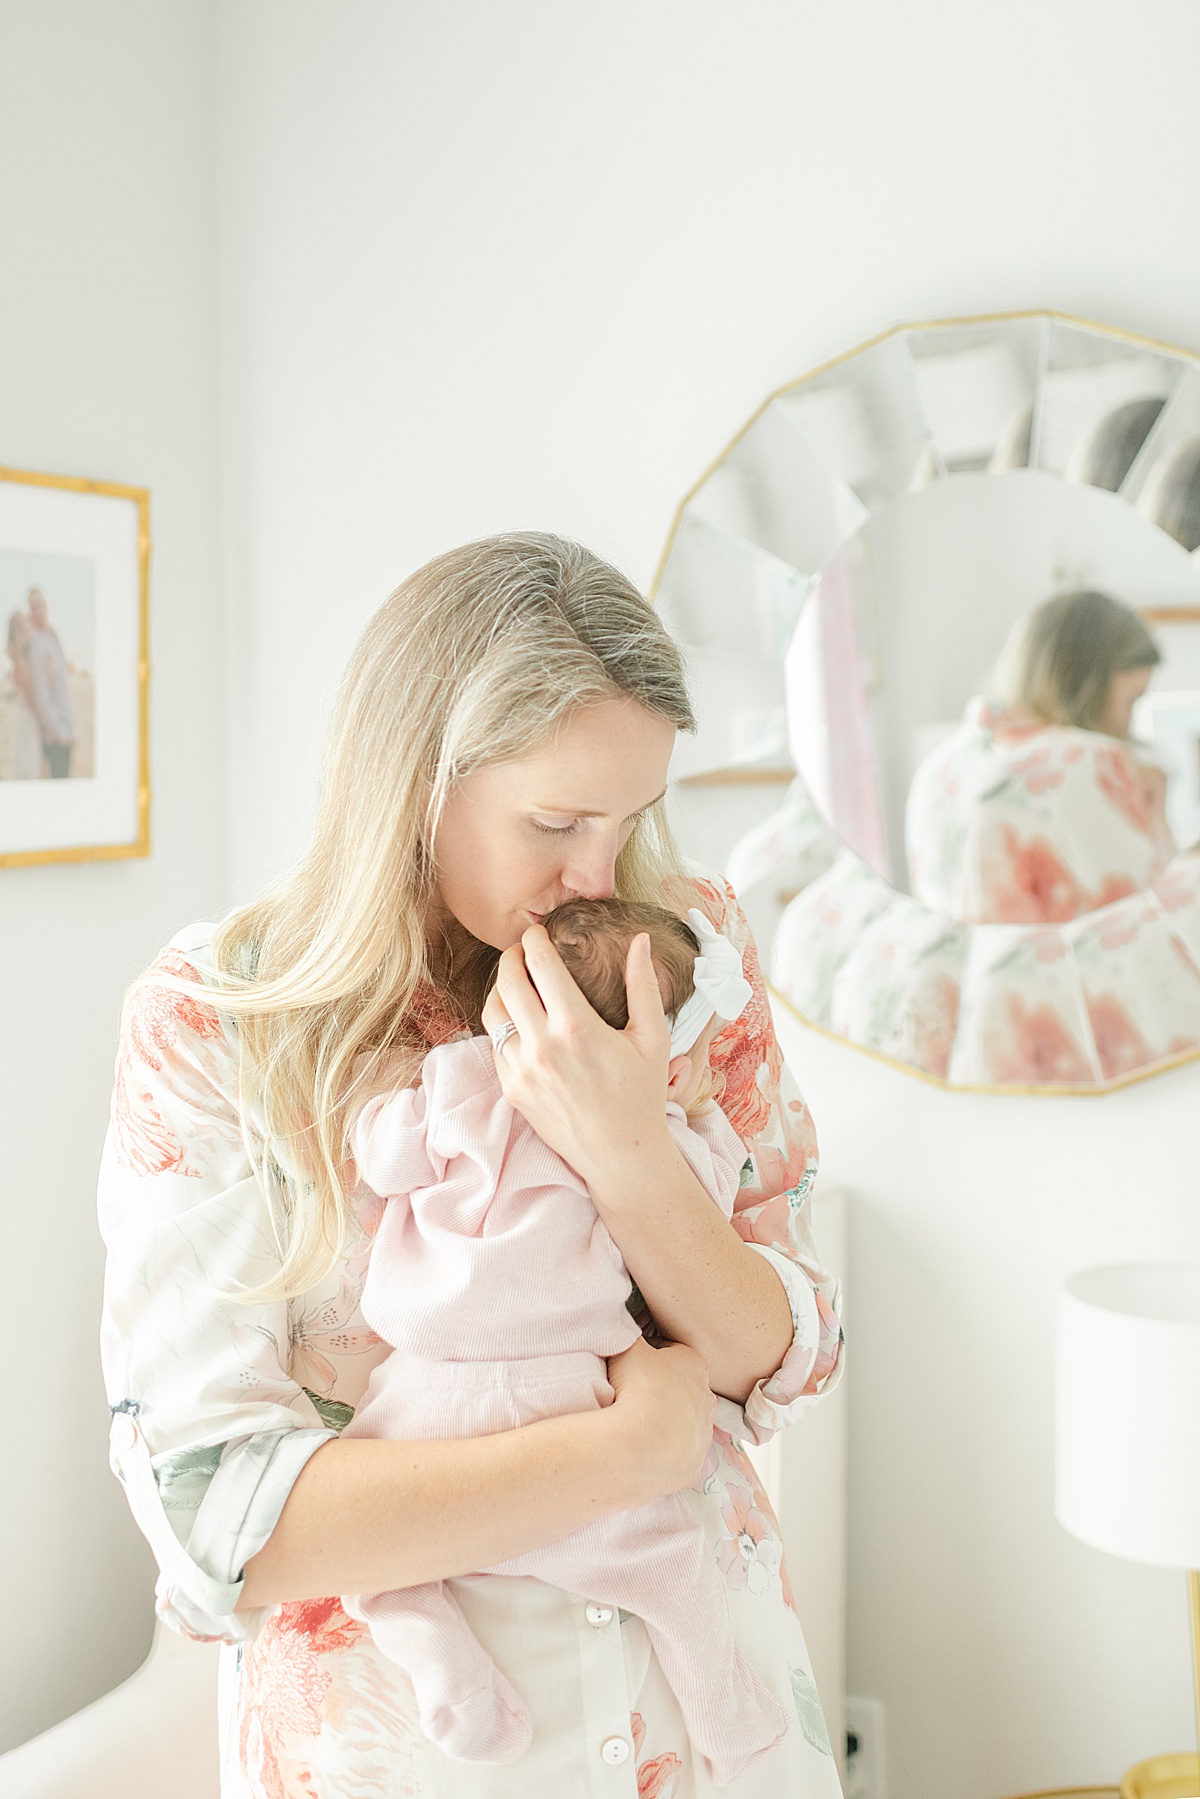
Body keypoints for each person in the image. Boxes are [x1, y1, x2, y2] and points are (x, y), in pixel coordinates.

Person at [98, 534, 844, 1799]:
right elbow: (221, 1512)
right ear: (415, 782)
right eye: (554, 820)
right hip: (408, 1749)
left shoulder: (689, 947)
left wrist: (625, 1150)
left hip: (711, 1724)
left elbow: (788, 1344)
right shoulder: (221, 1019)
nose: (596, 875)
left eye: (630, 816)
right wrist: (624, 1457)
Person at [342, 897, 788, 1785]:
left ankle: (444, 1663)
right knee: (669, 1569)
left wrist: (386, 1117)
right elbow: (692, 1224)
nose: (702, 1073)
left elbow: (385, 1158)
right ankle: (733, 1724)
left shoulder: (463, 1076)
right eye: (692, 1053)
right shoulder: (662, 1137)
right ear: (650, 1057)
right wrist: (687, 1130)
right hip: (561, 1394)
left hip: (427, 1393)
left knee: (382, 1564)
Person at [906, 588, 1174, 923]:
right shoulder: (1087, 760)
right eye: (1131, 701)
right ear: (1086, 684)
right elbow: (1159, 916)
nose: (1128, 724)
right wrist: (1155, 815)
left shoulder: (937, 768)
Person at [26, 587, 75, 777]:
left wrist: (70, 729)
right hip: (56, 737)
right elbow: (42, 698)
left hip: (66, 727)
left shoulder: (53, 637)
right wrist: (61, 734)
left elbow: (62, 686)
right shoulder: (37, 646)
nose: (38, 611)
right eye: (33, 607)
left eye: (41, 605)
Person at [4, 609, 44, 779]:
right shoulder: (21, 660)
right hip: (28, 716)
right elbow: (29, 694)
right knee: (29, 764)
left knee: (24, 761)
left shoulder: (19, 657)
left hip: (23, 716)